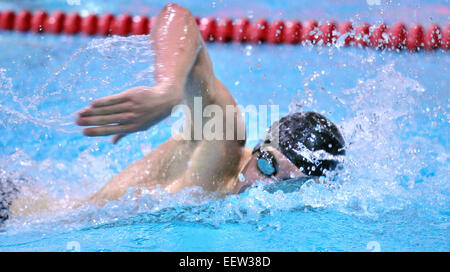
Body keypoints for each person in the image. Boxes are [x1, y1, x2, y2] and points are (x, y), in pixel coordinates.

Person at [1, 4, 345, 223]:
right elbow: (177, 17)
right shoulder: (223, 146)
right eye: (268, 165)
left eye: (288, 186)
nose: (265, 188)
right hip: (13, 209)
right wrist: (167, 90)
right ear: (258, 147)